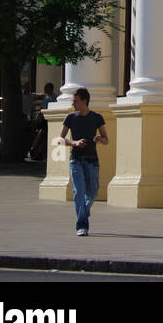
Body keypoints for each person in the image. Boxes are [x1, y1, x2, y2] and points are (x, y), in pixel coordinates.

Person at [60, 88, 107, 235]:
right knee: (79, 192)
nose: (73, 104)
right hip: (76, 160)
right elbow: (60, 140)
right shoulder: (70, 118)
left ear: (84, 101)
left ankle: (84, 211)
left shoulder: (97, 118)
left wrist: (100, 139)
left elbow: (106, 139)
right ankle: (82, 225)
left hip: (92, 161)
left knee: (92, 192)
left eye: (75, 101)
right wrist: (74, 143)